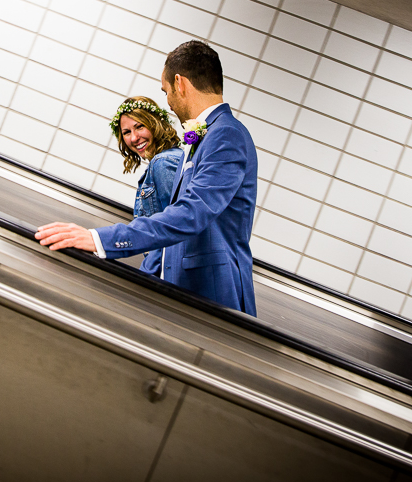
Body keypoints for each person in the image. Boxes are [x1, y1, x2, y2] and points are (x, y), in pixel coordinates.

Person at [36, 40, 258, 315]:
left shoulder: (226, 134)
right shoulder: (204, 134)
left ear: (180, 84)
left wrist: (101, 239)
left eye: (166, 92)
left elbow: (190, 214)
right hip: (189, 292)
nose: (169, 102)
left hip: (213, 294)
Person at [110, 95, 184, 277]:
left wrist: (148, 274)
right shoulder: (169, 158)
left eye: (139, 127)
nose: (134, 138)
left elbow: (173, 228)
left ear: (155, 124)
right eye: (127, 132)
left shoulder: (163, 163)